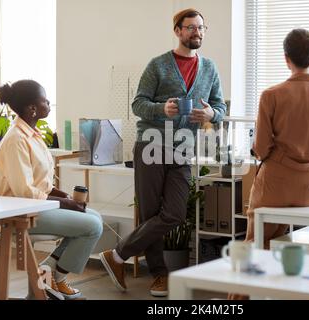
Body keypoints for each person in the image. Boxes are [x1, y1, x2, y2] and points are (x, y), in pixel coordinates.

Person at [99, 8, 226, 297]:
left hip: (183, 148)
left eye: (201, 28)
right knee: (150, 214)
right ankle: (159, 275)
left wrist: (210, 113)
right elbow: (138, 104)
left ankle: (116, 255)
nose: (197, 32)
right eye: (191, 27)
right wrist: (161, 109)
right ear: (178, 30)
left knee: (175, 213)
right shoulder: (157, 65)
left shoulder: (209, 68)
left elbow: (220, 107)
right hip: (151, 145)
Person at [228, 28, 309, 300]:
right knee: (293, 245)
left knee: (256, 243)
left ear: (286, 58)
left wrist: (270, 157)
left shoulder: (272, 95)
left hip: (275, 183)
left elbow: (262, 147)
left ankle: (237, 300)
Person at [0, 80, 103, 299]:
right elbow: (24, 192)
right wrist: (65, 203)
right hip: (21, 213)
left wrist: (63, 195)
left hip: (38, 207)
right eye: (45, 100)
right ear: (32, 108)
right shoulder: (16, 140)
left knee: (93, 217)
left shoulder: (32, 135)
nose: (49, 102)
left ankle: (45, 274)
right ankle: (55, 277)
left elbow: (39, 183)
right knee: (91, 225)